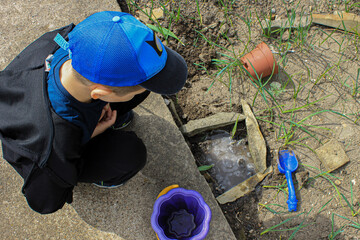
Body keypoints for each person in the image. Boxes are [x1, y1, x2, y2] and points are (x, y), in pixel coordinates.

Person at [0, 11, 187, 214]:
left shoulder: (74, 42)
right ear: (101, 93)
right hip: (50, 142)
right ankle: (101, 174)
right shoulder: (53, 144)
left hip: (64, 103)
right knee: (130, 154)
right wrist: (85, 137)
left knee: (138, 88)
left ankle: (110, 109)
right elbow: (45, 202)